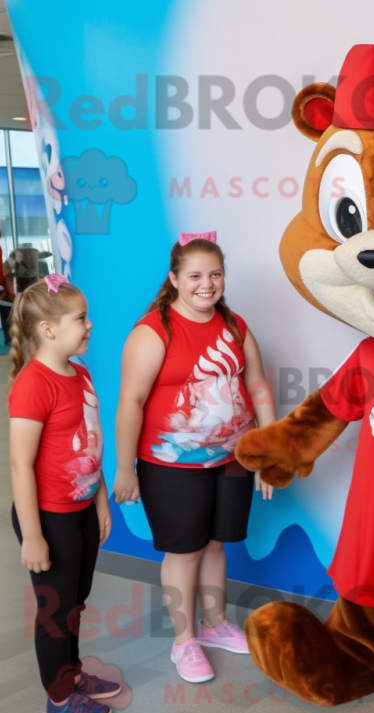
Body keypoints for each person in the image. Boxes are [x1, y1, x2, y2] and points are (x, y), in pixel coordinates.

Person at [114, 232, 276, 683]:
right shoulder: (154, 330)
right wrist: (125, 467)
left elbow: (259, 386)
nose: (207, 284)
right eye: (195, 276)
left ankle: (215, 624)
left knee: (217, 545)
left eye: (216, 274)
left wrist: (268, 451)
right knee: (184, 552)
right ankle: (184, 641)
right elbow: (130, 401)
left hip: (232, 459)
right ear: (174, 279)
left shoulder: (236, 326)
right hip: (171, 466)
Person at [8, 274, 121, 713]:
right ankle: (58, 696)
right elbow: (21, 465)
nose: (90, 325)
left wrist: (100, 504)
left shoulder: (81, 372)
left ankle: (71, 673)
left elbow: (90, 446)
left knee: (75, 600)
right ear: (48, 330)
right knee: (55, 610)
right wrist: (32, 535)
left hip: (80, 512)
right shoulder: (34, 384)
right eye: (81, 319)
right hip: (48, 518)